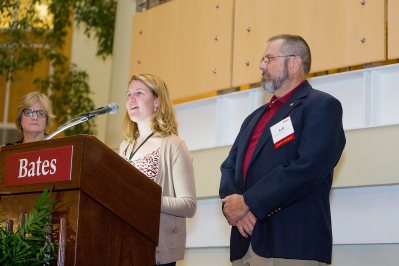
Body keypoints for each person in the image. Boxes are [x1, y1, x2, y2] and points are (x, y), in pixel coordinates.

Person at [219, 34, 346, 266]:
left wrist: (248, 202)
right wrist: (234, 208)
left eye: (269, 58)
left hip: (291, 246)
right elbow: (229, 167)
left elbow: (307, 169)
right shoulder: (254, 118)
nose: (261, 65)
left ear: (295, 62)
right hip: (245, 243)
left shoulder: (321, 106)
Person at [119, 74, 197, 266]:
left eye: (139, 93)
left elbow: (189, 205)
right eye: (129, 94)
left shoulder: (173, 145)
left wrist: (148, 200)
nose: (131, 99)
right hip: (123, 245)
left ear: (156, 102)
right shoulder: (125, 146)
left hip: (157, 251)